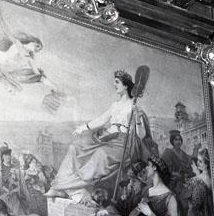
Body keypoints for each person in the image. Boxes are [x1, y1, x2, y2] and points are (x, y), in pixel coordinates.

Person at [46, 70, 153, 202]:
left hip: (125, 144)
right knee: (76, 147)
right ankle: (59, 185)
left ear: (126, 85)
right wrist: (83, 128)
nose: (114, 84)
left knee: (101, 155)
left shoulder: (134, 107)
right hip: (109, 138)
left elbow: (141, 135)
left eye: (117, 82)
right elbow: (101, 120)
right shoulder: (115, 105)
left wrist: (137, 118)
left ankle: (67, 187)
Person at [161, 129, 193, 200]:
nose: (178, 142)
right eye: (176, 140)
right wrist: (176, 175)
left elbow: (190, 164)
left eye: (180, 140)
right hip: (174, 183)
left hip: (185, 181)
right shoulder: (167, 153)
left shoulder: (183, 154)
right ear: (172, 141)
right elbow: (164, 169)